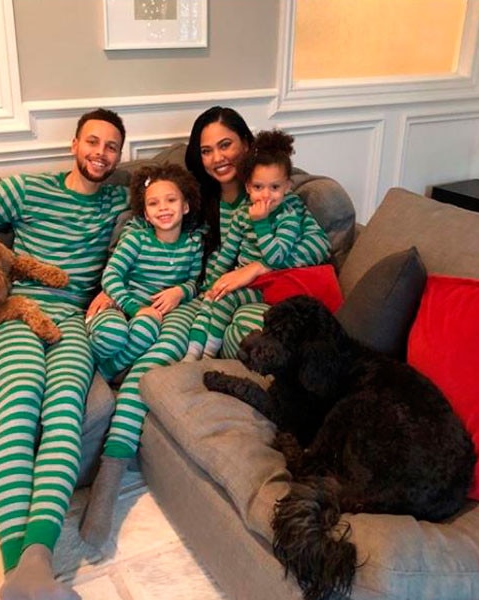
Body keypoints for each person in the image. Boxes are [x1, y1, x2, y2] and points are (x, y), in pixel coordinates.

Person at [0, 108, 128, 600]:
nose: (100, 154)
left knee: (64, 412)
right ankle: (24, 571)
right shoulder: (26, 189)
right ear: (73, 144)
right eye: (93, 142)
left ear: (119, 156)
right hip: (9, 313)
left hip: (72, 322)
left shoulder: (119, 202)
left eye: (111, 147)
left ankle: (33, 562)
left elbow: (177, 209)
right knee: (19, 402)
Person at [79, 106, 273, 554]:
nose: (217, 157)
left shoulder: (263, 194)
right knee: (131, 334)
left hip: (202, 302)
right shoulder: (178, 209)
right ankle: (120, 359)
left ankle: (111, 469)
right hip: (147, 302)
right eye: (206, 150)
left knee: (151, 364)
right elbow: (120, 269)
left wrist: (188, 293)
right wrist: (126, 298)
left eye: (225, 145)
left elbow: (198, 275)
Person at [185, 129, 331, 360]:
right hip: (245, 282)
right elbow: (228, 252)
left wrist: (261, 225)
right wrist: (211, 285)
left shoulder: (288, 214)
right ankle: (192, 354)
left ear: (287, 186)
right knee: (213, 299)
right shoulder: (241, 213)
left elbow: (276, 258)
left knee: (225, 300)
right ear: (248, 187)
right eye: (258, 187)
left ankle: (208, 356)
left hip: (267, 284)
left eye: (274, 187)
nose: (266, 196)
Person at [86, 163, 204, 381]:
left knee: (147, 328)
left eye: (171, 200)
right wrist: (133, 307)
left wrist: (180, 291)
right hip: (119, 306)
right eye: (153, 203)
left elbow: (194, 282)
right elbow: (111, 276)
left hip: (148, 318)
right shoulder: (136, 239)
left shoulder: (193, 243)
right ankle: (97, 366)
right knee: (113, 332)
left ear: (185, 206)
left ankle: (105, 374)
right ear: (147, 215)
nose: (163, 208)